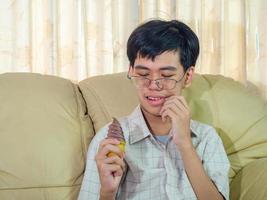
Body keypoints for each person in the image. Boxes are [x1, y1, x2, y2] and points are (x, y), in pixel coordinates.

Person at [78, 19, 230, 200]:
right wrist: (107, 192)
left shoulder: (207, 138)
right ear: (131, 70)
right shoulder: (109, 139)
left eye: (166, 75)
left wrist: (185, 145)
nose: (154, 85)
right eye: (143, 74)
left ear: (188, 76)